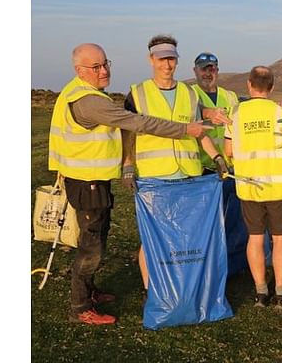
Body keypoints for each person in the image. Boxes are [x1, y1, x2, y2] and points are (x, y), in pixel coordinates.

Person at [48, 43, 208, 325]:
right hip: (87, 183)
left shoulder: (81, 91)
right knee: (91, 245)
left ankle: (90, 291)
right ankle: (79, 306)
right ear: (79, 70)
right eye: (95, 67)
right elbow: (138, 123)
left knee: (98, 235)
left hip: (92, 180)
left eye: (105, 63)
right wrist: (185, 129)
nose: (103, 70)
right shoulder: (88, 101)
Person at [120, 35, 227, 295]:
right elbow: (127, 133)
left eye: (171, 59)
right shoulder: (137, 94)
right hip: (154, 179)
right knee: (152, 237)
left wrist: (217, 158)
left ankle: (184, 286)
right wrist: (127, 164)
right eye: (162, 59)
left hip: (189, 178)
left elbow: (198, 132)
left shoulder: (189, 93)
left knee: (187, 236)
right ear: (151, 59)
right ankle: (153, 291)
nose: (167, 65)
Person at [224, 66, 282, 309]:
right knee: (280, 240)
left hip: (248, 188)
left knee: (255, 239)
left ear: (249, 84)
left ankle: (260, 293)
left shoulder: (235, 112)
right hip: (278, 188)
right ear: (272, 87)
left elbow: (228, 151)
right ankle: (281, 293)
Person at [191, 52, 238, 174]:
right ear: (195, 70)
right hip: (203, 168)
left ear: (217, 71)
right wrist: (206, 113)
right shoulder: (189, 94)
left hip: (230, 166)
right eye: (203, 69)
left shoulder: (230, 96)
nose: (207, 73)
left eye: (211, 69)